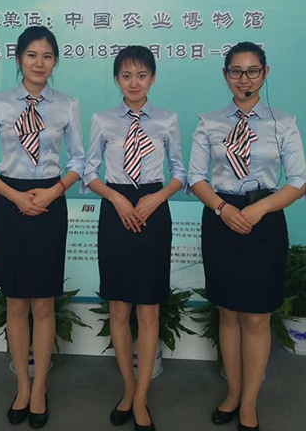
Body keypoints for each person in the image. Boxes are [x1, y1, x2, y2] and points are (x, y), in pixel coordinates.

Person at [0, 26, 85, 429]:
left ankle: (40, 388)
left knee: (44, 303)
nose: (39, 63)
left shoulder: (67, 105)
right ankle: (22, 385)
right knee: (15, 302)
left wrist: (52, 193)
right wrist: (16, 197)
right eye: (32, 55)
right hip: (9, 202)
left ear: (56, 61)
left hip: (51, 202)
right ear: (18, 59)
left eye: (47, 56)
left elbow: (79, 162)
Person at [188, 41, 306, 431]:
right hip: (220, 219)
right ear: (226, 76)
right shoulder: (209, 122)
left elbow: (298, 181)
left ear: (265, 73)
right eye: (236, 72)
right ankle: (233, 392)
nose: (245, 79)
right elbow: (195, 177)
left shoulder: (283, 123)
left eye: (253, 71)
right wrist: (223, 209)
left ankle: (249, 403)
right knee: (227, 312)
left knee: (257, 317)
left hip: (265, 220)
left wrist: (257, 210)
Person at [83, 45, 187, 431]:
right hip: (115, 212)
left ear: (153, 78)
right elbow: (87, 171)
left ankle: (142, 398)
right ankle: (127, 389)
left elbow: (180, 171)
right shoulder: (102, 120)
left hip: (154, 211)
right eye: (126, 76)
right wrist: (115, 198)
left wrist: (157, 198)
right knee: (119, 308)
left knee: (148, 309)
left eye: (141, 75)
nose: (134, 82)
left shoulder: (168, 120)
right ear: (117, 80)